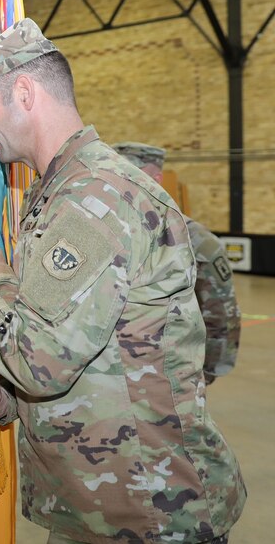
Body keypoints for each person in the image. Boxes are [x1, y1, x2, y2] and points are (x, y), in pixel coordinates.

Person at [0, 18, 245, 543]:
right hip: (101, 505)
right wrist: (6, 401)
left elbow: (41, 363)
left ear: (24, 91)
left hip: (149, 511)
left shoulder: (94, 198)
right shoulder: (63, 192)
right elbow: (94, 349)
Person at [114, 141, 242, 385]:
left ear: (158, 178)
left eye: (134, 175)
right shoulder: (116, 231)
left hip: (172, 375)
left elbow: (223, 313)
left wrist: (206, 374)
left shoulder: (196, 240)